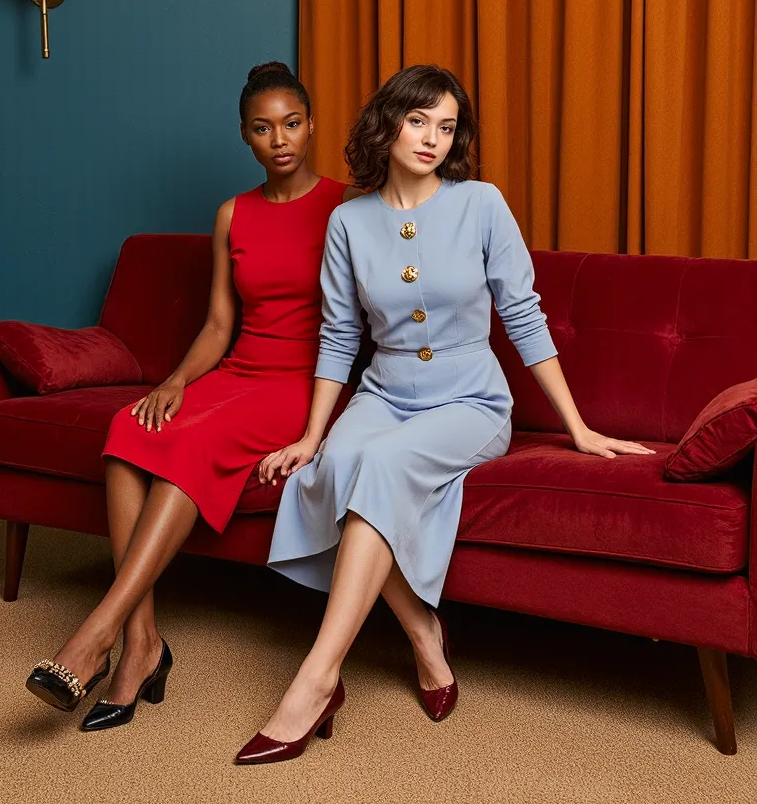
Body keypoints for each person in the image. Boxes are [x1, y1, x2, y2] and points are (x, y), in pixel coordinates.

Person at [235, 64, 655, 764]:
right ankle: (425, 634)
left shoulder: (481, 204)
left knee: (383, 466)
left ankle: (315, 680)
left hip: (470, 400)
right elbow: (339, 334)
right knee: (338, 464)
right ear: (389, 123)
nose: (433, 138)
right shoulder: (349, 221)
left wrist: (577, 427)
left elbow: (523, 315)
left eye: (448, 126)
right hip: (382, 394)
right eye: (420, 120)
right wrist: (313, 435)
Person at [26, 62, 350, 731]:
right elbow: (218, 326)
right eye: (263, 129)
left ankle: (95, 635)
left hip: (301, 386)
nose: (280, 139)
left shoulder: (347, 207)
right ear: (245, 137)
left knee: (188, 447)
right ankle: (141, 644)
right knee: (127, 434)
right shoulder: (234, 213)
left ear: (312, 125)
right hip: (235, 373)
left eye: (292, 124)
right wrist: (174, 382)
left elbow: (359, 322)